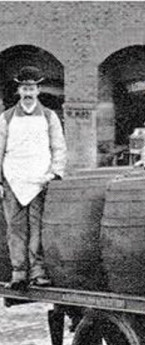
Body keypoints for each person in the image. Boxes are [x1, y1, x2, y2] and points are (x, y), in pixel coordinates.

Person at [0, 66, 67, 290]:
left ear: (38, 90)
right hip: (13, 180)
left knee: (38, 227)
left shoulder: (49, 117)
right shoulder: (6, 118)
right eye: (24, 88)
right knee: (16, 227)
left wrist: (55, 173)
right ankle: (19, 272)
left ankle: (37, 271)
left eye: (32, 88)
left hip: (40, 181)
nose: (28, 92)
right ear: (19, 90)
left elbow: (59, 147)